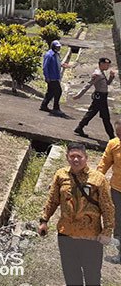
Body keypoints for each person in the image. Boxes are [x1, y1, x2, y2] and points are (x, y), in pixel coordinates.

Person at [39, 142, 114, 286]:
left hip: (91, 237)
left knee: (92, 276)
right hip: (66, 235)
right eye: (72, 156)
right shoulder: (61, 175)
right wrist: (44, 220)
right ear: (67, 157)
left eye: (79, 156)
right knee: (71, 275)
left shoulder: (98, 179)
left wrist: (107, 231)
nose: (75, 160)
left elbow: (108, 208)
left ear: (86, 157)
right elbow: (52, 200)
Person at [97, 119, 121, 263]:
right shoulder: (114, 144)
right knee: (119, 222)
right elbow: (103, 165)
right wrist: (94, 181)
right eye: (118, 134)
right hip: (117, 190)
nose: (120, 137)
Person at [74, 57, 116, 139]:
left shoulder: (102, 73)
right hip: (99, 97)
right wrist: (79, 95)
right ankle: (112, 136)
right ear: (102, 64)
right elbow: (88, 85)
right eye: (107, 64)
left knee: (91, 113)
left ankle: (79, 127)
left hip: (102, 97)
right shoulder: (97, 74)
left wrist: (111, 77)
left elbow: (107, 83)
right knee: (105, 117)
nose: (108, 66)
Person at [41, 39, 70, 118]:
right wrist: (47, 77)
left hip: (56, 76)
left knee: (50, 92)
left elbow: (56, 63)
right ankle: (55, 108)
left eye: (59, 47)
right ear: (53, 47)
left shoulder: (56, 54)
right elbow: (45, 67)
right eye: (57, 47)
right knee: (58, 91)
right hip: (52, 77)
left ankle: (44, 105)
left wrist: (61, 65)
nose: (58, 48)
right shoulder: (49, 55)